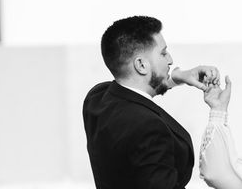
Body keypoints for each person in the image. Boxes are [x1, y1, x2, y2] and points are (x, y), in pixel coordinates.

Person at [83, 15, 219, 189]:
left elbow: (133, 90)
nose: (170, 59)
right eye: (163, 53)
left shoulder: (96, 99)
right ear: (141, 65)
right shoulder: (149, 129)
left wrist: (176, 78)